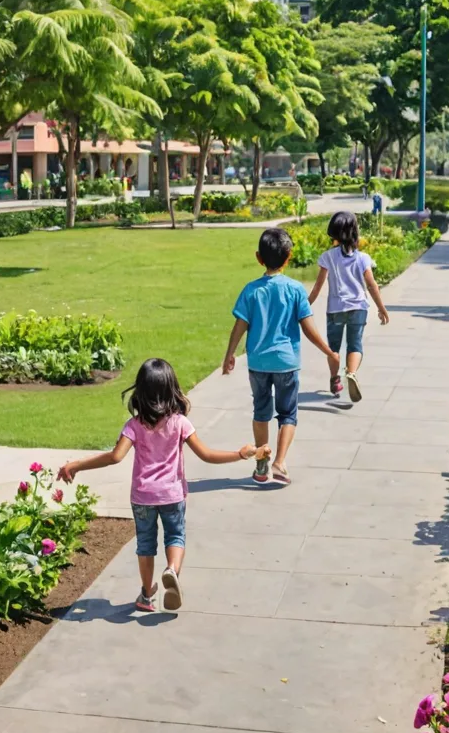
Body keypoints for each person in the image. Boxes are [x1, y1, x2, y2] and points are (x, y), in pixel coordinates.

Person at [57, 359, 269, 613]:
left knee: (145, 545)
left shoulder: (134, 426)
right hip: (172, 494)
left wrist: (77, 465)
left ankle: (146, 595)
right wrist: (240, 453)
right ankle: (172, 571)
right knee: (176, 536)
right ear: (172, 390)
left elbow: (115, 457)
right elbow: (207, 455)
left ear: (141, 392)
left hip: (143, 497)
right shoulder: (180, 423)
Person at [223, 228, 341, 487]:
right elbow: (308, 327)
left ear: (258, 257)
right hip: (286, 362)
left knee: (261, 411)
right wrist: (329, 351)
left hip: (258, 363)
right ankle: (280, 462)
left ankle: (262, 462)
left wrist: (230, 354)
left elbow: (239, 325)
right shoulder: (295, 289)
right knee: (288, 414)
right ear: (289, 257)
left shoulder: (251, 290)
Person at [307, 211, 390, 401]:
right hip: (358, 308)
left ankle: (335, 379)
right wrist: (381, 307)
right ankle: (351, 373)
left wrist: (305, 306)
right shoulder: (363, 258)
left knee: (333, 349)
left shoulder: (327, 257)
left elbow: (318, 287)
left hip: (335, 309)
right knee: (355, 346)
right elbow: (371, 285)